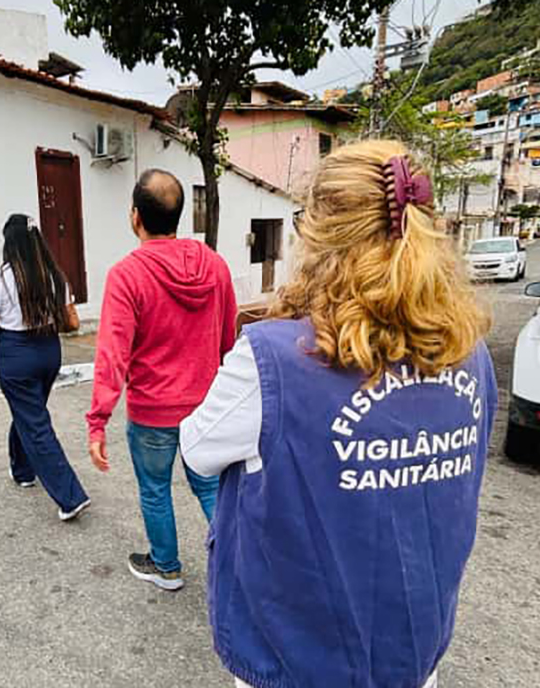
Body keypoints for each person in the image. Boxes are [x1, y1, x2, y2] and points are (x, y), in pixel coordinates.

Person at [181, 141, 497, 688]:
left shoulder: (271, 358)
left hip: (295, 651)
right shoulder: (471, 353)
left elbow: (198, 449)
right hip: (416, 649)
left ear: (318, 237)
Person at [87, 168, 237, 591]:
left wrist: (97, 421)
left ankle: (167, 566)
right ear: (179, 215)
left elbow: (112, 354)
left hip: (152, 412)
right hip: (206, 406)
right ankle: (243, 566)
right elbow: (229, 339)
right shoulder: (216, 266)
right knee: (210, 489)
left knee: (155, 489)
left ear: (135, 216)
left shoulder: (127, 275)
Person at [0, 213, 91, 520]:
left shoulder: (1, 278)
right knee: (29, 413)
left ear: (9, 243)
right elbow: (71, 323)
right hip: (48, 352)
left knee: (35, 422)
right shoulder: (55, 275)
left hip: (17, 355)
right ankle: (22, 470)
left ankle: (70, 496)